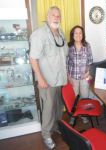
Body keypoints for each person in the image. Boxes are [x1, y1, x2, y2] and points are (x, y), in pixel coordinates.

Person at [29, 6, 68, 149]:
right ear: (48, 16)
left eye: (58, 15)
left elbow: (63, 55)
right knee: (48, 109)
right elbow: (33, 58)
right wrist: (41, 79)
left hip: (60, 79)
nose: (56, 18)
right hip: (47, 81)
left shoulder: (60, 33)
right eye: (53, 15)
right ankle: (46, 135)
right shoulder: (39, 34)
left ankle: (55, 127)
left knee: (58, 106)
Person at [67, 25, 93, 123]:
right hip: (73, 77)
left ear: (83, 34)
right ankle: (73, 116)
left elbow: (90, 60)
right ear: (72, 35)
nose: (78, 35)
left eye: (80, 33)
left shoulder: (87, 45)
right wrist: (68, 76)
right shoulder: (69, 46)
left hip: (84, 77)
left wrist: (88, 72)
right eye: (76, 33)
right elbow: (66, 62)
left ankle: (84, 115)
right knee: (74, 99)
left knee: (84, 97)